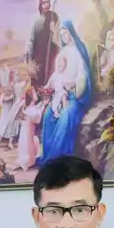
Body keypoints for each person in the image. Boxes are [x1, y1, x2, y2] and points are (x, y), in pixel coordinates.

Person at [38, 23, 93, 165]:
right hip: (60, 94)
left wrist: (73, 84)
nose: (63, 36)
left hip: (74, 96)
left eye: (65, 33)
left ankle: (56, 158)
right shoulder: (63, 52)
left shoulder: (79, 51)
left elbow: (83, 75)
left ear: (71, 33)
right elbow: (57, 73)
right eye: (61, 34)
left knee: (66, 115)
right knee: (48, 115)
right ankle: (48, 153)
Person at [26, 0, 60, 91]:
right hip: (39, 58)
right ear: (40, 5)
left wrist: (54, 30)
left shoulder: (55, 17)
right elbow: (31, 41)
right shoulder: (37, 22)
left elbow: (58, 36)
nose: (46, 5)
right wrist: (31, 59)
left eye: (48, 2)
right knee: (39, 83)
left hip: (52, 56)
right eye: (44, 3)